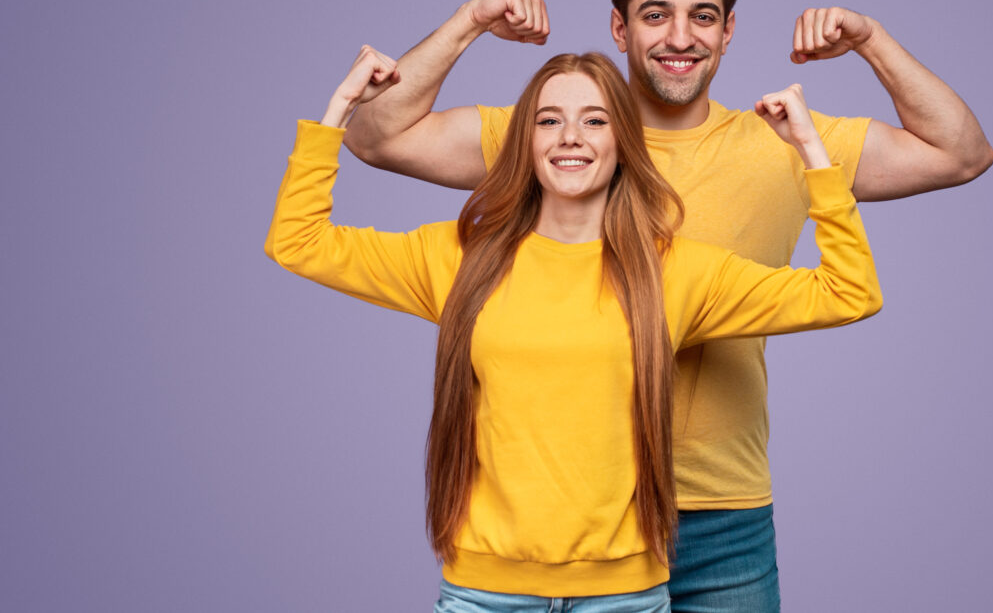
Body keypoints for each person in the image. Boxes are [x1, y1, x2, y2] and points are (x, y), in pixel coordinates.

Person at [342, 0, 989, 608]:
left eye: (702, 16)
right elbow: (374, 134)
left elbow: (961, 152)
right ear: (619, 27)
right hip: (569, 524)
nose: (679, 36)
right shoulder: (558, 138)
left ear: (729, 30)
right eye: (655, 14)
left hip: (720, 515)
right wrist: (469, 21)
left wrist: (871, 40)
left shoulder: (784, 145)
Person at [266, 48, 880, 610]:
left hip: (624, 596)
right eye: (548, 120)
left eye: (594, 120)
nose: (570, 138)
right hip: (486, 593)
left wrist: (810, 151)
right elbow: (298, 242)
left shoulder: (677, 271)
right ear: (525, 141)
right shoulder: (457, 258)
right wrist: (339, 109)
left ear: (622, 141)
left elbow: (849, 292)